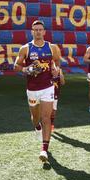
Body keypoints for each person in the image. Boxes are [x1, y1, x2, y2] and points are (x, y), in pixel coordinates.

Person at [14, 20, 63, 164]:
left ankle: (44, 149)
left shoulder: (52, 47)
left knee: (47, 118)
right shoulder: (25, 48)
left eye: (40, 29)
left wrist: (56, 69)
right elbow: (16, 65)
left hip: (48, 87)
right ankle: (37, 127)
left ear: (44, 31)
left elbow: (57, 62)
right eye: (35, 29)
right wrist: (25, 69)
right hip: (32, 89)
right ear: (31, 31)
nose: (38, 32)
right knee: (35, 118)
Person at [51, 68, 65, 132]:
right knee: (45, 111)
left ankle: (51, 123)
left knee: (53, 111)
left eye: (56, 69)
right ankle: (44, 124)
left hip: (55, 96)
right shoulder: (47, 77)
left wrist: (61, 73)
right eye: (53, 69)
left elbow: (63, 83)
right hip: (46, 95)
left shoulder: (58, 77)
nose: (55, 71)